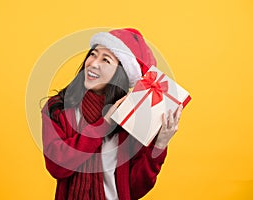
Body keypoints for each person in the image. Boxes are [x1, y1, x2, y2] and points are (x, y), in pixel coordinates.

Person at [41, 28, 183, 200]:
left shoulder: (130, 117)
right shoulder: (58, 108)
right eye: (93, 54)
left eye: (106, 60)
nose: (93, 63)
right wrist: (103, 124)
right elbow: (57, 167)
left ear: (119, 74)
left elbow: (135, 188)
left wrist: (159, 145)